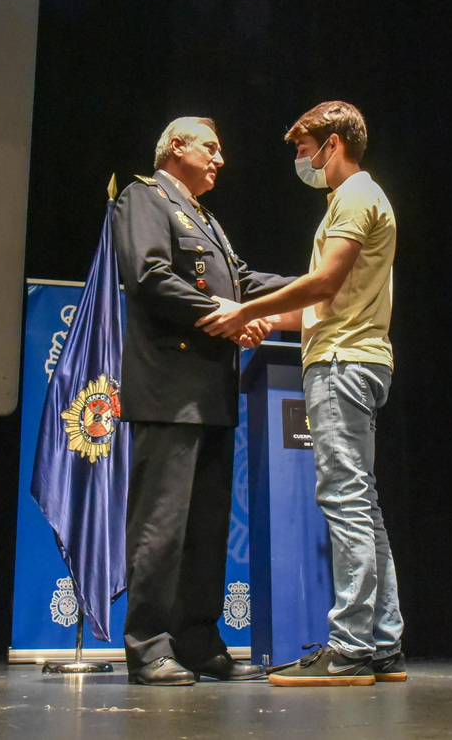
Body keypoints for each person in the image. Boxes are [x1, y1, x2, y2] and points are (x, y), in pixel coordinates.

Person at [198, 101, 404, 687]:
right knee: (363, 504)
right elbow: (325, 305)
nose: (301, 161)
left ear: (332, 143)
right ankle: (383, 644)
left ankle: (350, 647)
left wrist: (246, 306)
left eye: (303, 149)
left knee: (345, 501)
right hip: (351, 355)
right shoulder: (355, 199)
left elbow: (323, 281)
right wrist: (264, 324)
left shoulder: (356, 195)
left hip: (342, 366)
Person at [114, 116, 291, 686]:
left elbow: (240, 280)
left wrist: (322, 282)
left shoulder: (207, 220)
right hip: (167, 390)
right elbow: (148, 275)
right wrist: (226, 317)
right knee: (161, 527)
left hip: (211, 394)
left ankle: (196, 640)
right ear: (175, 148)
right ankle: (148, 646)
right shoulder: (144, 198)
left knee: (206, 529)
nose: (220, 159)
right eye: (210, 148)